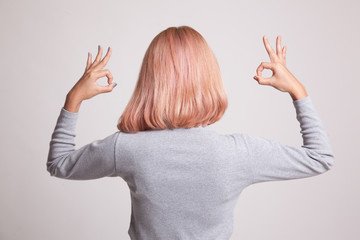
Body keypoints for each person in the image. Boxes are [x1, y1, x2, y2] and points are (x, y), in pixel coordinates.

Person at [47, 26, 334, 240]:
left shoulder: (126, 149)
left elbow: (58, 164)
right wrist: (298, 90)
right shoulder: (238, 153)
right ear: (209, 78)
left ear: (150, 80)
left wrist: (74, 98)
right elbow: (320, 158)